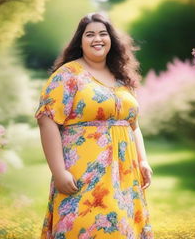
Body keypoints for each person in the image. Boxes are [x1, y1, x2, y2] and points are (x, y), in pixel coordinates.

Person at [35, 12, 154, 239]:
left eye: (103, 33)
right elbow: (46, 119)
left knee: (121, 229)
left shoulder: (122, 77)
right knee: (85, 227)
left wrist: (143, 160)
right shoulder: (68, 74)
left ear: (112, 39)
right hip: (84, 172)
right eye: (89, 34)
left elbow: (133, 125)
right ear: (80, 41)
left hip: (125, 174)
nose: (97, 39)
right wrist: (59, 171)